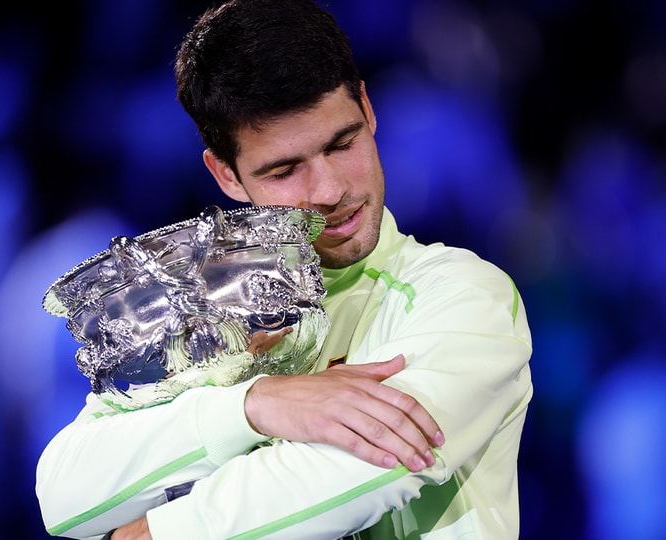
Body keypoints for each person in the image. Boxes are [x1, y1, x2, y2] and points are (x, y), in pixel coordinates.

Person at [35, 1, 533, 538]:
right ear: (225, 175)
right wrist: (252, 407)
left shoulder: (462, 294)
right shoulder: (200, 307)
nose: (330, 191)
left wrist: (158, 532)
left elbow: (379, 468)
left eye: (342, 144)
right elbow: (65, 495)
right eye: (284, 171)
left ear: (367, 109)